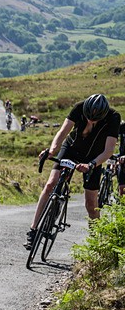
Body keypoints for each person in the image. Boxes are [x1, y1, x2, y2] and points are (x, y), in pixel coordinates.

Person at [25, 94, 120, 249]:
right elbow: (62, 133)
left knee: (91, 204)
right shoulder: (79, 107)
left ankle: (97, 242)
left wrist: (91, 165)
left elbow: (109, 150)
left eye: (94, 120)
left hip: (94, 158)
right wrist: (52, 151)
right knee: (50, 184)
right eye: (88, 118)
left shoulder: (113, 117)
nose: (90, 121)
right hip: (71, 149)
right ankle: (33, 229)